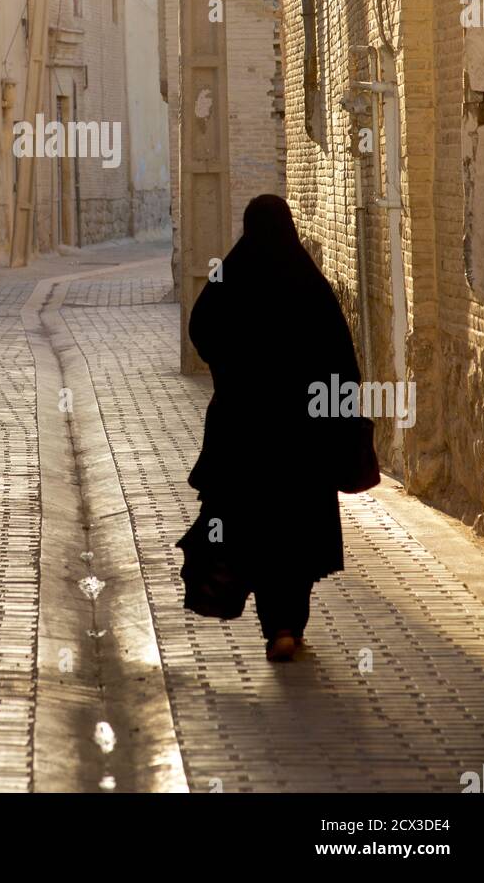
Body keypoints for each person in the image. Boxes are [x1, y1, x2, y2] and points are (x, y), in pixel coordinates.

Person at [176, 194, 361, 662]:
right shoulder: (308, 281)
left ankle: (273, 627)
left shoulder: (229, 274)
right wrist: (343, 417)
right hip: (304, 439)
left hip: (243, 434)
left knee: (254, 529)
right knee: (296, 531)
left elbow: (201, 325)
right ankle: (288, 625)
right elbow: (340, 356)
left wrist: (229, 369)